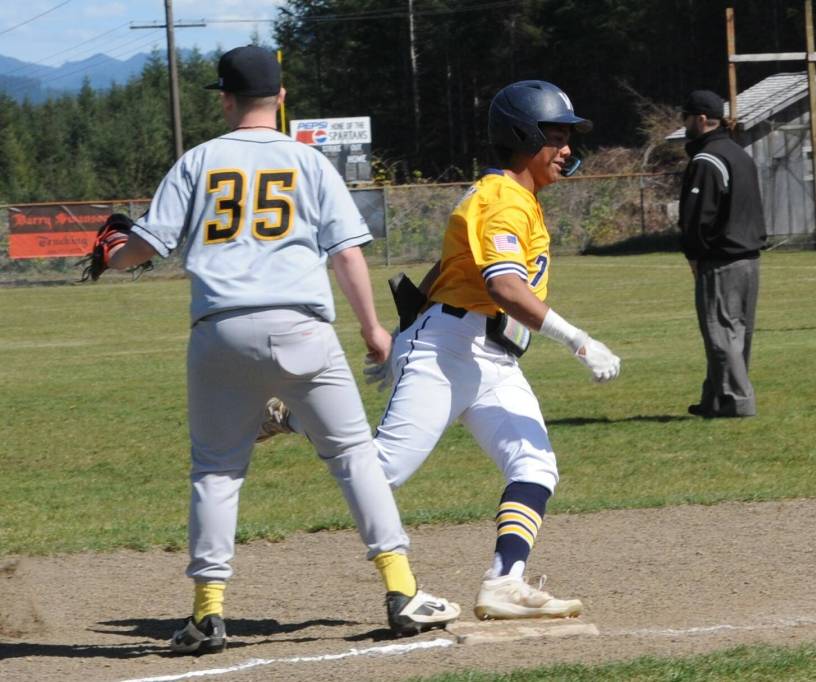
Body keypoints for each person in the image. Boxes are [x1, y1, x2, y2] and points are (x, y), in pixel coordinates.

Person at [103, 45, 459, 655]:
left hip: (220, 330)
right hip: (303, 329)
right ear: (282, 98)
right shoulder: (310, 161)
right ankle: (402, 591)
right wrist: (374, 330)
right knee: (353, 456)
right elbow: (345, 253)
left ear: (225, 99)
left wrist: (111, 254)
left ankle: (207, 614)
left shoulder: (199, 160)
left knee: (216, 470)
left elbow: (144, 246)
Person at [262, 80, 621, 620]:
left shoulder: (513, 199)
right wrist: (579, 342)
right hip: (450, 350)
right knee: (382, 471)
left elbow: (448, 270)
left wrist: (402, 334)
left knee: (535, 463)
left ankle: (504, 581)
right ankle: (300, 416)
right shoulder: (503, 201)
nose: (568, 146)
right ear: (524, 135)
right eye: (557, 133)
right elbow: (504, 287)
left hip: (491, 357)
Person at [678, 89, 767, 419]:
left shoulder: (707, 159)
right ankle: (715, 399)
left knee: (720, 333)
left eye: (685, 117)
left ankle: (737, 402)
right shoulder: (739, 154)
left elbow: (698, 217)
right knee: (737, 334)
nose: (683, 123)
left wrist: (694, 256)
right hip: (750, 257)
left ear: (701, 120)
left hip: (722, 259)